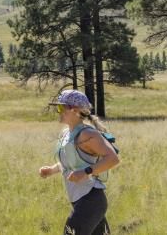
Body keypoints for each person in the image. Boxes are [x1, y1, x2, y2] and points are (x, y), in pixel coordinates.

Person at [38, 89, 121, 234]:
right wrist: (51, 170)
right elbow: (72, 163)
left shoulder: (88, 134)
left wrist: (85, 172)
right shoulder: (66, 133)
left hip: (91, 199)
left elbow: (112, 158)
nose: (59, 112)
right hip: (80, 200)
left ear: (75, 110)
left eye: (61, 108)